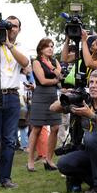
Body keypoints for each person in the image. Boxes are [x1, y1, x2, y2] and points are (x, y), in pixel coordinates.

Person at [0, 15, 29, 191]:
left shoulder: (19, 46)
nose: (11, 29)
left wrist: (9, 44)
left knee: (9, 140)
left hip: (12, 96)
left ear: (19, 29)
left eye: (15, 26)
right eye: (8, 26)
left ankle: (6, 178)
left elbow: (25, 63)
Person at [26, 38, 62, 171]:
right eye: (47, 46)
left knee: (55, 127)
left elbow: (61, 75)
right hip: (40, 95)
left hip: (53, 96)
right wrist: (55, 80)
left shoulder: (54, 61)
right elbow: (42, 80)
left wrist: (54, 73)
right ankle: (30, 161)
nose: (51, 48)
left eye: (52, 46)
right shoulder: (36, 62)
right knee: (37, 128)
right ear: (41, 48)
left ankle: (49, 159)